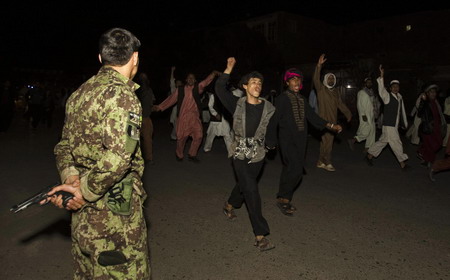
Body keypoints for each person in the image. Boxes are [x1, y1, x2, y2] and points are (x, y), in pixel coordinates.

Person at [42, 27, 150, 279]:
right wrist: (83, 190)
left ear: (101, 58)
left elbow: (64, 146)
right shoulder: (124, 97)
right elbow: (119, 158)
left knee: (88, 272)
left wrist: (70, 179)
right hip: (115, 215)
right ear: (135, 57)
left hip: (82, 214)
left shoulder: (79, 94)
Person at [215, 57, 277, 251]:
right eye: (253, 82)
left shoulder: (268, 107)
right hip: (240, 153)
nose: (257, 85)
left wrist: (271, 144)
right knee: (251, 190)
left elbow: (272, 129)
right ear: (244, 86)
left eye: (260, 83)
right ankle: (260, 235)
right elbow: (219, 89)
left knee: (243, 186)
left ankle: (229, 205)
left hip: (258, 154)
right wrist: (228, 69)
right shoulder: (237, 104)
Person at [273, 68, 342, 216]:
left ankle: (282, 196)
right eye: (293, 79)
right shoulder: (282, 99)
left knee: (289, 170)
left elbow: (314, 118)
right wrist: (270, 139)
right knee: (296, 171)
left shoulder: (303, 100)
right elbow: (274, 120)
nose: (297, 82)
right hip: (287, 140)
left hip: (301, 140)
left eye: (299, 79)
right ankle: (284, 199)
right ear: (287, 83)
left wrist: (331, 126)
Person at [154, 70, 220, 162]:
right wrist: (160, 107)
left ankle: (192, 154)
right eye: (189, 78)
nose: (190, 79)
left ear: (195, 80)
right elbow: (171, 99)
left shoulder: (198, 88)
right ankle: (179, 154)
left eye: (192, 78)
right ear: (186, 80)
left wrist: (213, 74)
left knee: (199, 136)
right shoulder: (180, 90)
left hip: (195, 118)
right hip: (183, 118)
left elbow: (205, 82)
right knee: (181, 138)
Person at [313, 54, 352, 171]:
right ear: (325, 80)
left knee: (326, 142)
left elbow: (340, 104)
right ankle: (327, 161)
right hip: (323, 120)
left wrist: (348, 114)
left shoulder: (335, 92)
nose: (331, 80)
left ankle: (320, 161)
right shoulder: (321, 90)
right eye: (329, 78)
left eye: (332, 79)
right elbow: (315, 79)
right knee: (328, 142)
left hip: (333, 121)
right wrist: (319, 66)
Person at [366, 65, 409, 169]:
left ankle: (369, 155)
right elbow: (381, 90)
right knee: (396, 143)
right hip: (389, 125)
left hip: (393, 125)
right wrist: (381, 76)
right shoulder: (387, 97)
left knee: (383, 142)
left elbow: (400, 112)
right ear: (390, 88)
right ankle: (402, 163)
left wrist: (402, 123)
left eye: (397, 86)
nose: (395, 88)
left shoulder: (399, 97)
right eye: (393, 86)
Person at [417, 84, 446, 167]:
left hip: (436, 127)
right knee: (431, 145)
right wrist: (423, 101)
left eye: (434, 92)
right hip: (428, 128)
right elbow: (419, 113)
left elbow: (439, 114)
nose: (433, 94)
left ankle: (422, 152)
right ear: (427, 93)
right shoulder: (426, 102)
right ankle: (429, 160)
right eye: (431, 92)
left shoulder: (436, 102)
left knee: (438, 144)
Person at [347, 77, 379, 152]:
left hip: (371, 115)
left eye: (370, 82)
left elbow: (374, 104)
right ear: (365, 83)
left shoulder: (371, 92)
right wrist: (363, 115)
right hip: (365, 115)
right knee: (365, 131)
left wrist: (375, 113)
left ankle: (367, 148)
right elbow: (359, 105)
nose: (369, 84)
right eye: (368, 82)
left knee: (372, 132)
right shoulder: (361, 92)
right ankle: (353, 140)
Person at [136, 72, 156, 164]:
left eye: (145, 77)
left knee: (147, 139)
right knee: (134, 140)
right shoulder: (136, 89)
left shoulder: (148, 90)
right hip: (136, 117)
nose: (143, 79)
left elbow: (152, 101)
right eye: (142, 77)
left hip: (145, 117)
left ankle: (148, 158)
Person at [168, 66, 183, 141]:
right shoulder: (174, 91)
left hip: (182, 110)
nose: (179, 84)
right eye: (177, 83)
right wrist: (172, 71)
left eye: (180, 83)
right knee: (176, 125)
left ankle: (175, 136)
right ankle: (174, 136)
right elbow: (171, 81)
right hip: (175, 111)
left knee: (180, 125)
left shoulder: (184, 91)